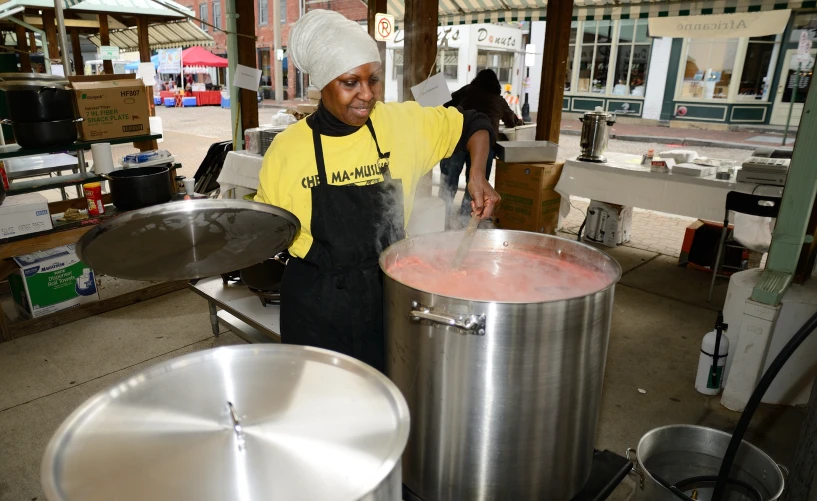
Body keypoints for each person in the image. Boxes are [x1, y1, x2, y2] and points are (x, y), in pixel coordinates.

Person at [255, 9, 499, 373]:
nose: (367, 95)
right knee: (320, 405)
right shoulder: (286, 151)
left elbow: (474, 122)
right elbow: (265, 232)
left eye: (374, 80)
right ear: (322, 83)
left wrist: (477, 175)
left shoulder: (400, 122)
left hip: (390, 291)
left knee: (388, 394)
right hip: (317, 305)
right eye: (351, 82)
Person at [439, 69, 523, 228]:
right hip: (484, 145)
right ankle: (466, 219)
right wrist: (519, 122)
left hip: (456, 139)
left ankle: (442, 218)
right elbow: (512, 121)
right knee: (476, 185)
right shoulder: (498, 100)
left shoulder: (465, 90)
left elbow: (446, 107)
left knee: (448, 183)